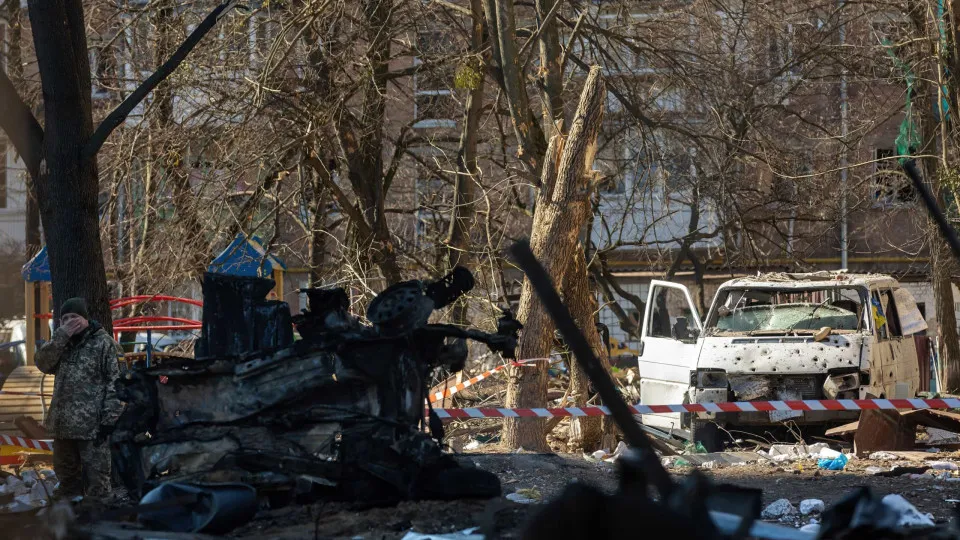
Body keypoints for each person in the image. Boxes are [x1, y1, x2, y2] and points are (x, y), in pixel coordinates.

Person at [36, 298, 125, 498]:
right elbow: (42, 363)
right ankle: (68, 525)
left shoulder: (105, 344)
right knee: (67, 484)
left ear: (85, 319)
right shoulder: (61, 345)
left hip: (92, 429)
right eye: (64, 318)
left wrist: (109, 420)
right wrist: (60, 337)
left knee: (98, 486)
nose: (70, 322)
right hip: (63, 428)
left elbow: (118, 384)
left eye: (74, 317)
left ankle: (98, 524)